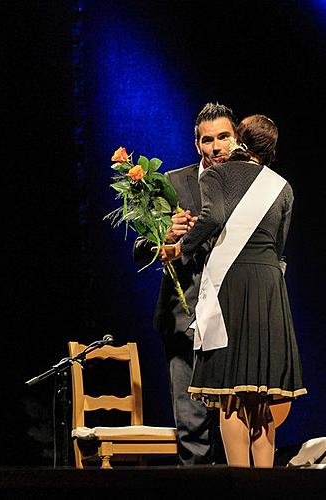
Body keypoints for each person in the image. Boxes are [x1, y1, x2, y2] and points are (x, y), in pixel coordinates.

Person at [161, 115, 306, 467]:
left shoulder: (216, 175)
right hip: (271, 290)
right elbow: (279, 249)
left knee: (233, 395)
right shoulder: (283, 186)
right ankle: (266, 481)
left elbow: (212, 217)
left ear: (239, 140)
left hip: (232, 286)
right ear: (271, 151)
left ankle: (239, 482)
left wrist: (181, 248)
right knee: (264, 395)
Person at [133, 102, 235, 464]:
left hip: (235, 318)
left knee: (234, 428)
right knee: (192, 430)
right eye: (208, 140)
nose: (217, 146)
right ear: (197, 144)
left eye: (224, 136)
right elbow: (140, 250)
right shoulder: (173, 184)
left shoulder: (249, 184)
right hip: (184, 319)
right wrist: (165, 235)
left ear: (236, 138)